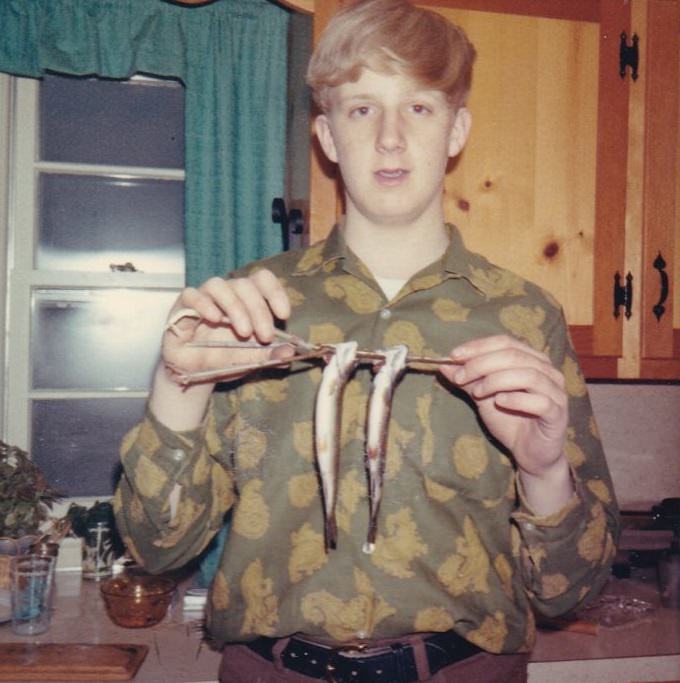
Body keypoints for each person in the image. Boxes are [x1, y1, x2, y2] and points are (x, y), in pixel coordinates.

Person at [114, 1, 619, 681]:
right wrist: (176, 388)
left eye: (418, 108)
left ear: (456, 129)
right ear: (325, 135)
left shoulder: (527, 317)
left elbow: (571, 592)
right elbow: (157, 546)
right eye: (360, 110)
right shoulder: (243, 313)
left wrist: (544, 472)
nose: (389, 139)